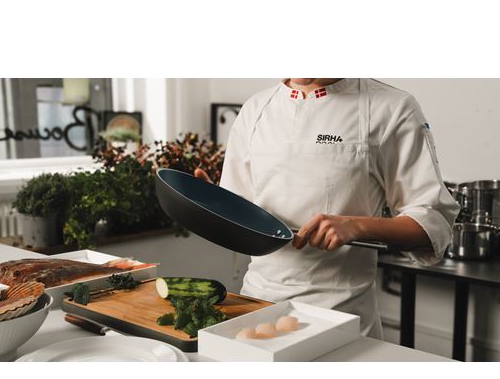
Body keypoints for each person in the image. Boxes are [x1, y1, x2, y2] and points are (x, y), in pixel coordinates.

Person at [196, 78, 459, 339]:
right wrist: (214, 205)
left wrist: (357, 226)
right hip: (258, 309)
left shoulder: (392, 107)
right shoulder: (255, 109)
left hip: (342, 316)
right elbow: (241, 220)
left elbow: (434, 223)